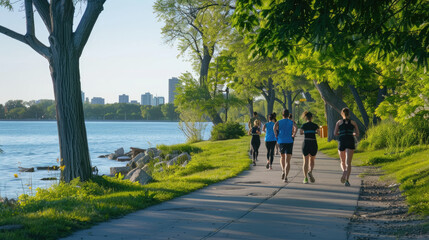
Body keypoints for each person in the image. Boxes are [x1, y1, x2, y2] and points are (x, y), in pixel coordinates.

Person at [334, 107, 359, 187]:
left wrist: (341, 133)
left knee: (342, 161)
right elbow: (357, 134)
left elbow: (335, 133)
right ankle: (347, 180)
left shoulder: (339, 122)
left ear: (342, 114)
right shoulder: (353, 123)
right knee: (348, 163)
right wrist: (352, 133)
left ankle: (344, 171)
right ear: (349, 114)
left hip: (342, 141)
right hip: (350, 141)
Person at [274, 109, 297, 182]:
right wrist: (294, 134)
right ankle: (286, 176)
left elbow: (274, 127)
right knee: (288, 160)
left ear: (282, 115)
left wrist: (276, 134)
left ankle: (283, 170)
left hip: (281, 141)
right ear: (288, 115)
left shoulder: (279, 121)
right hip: (289, 141)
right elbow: (296, 127)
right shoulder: (291, 121)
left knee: (282, 157)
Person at [300, 111, 319, 184]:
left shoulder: (304, 125)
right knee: (312, 160)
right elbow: (319, 133)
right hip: (313, 143)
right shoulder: (315, 125)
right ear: (311, 117)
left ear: (305, 118)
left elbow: (301, 132)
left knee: (305, 161)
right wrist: (314, 132)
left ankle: (305, 178)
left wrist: (306, 132)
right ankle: (310, 171)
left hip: (306, 143)